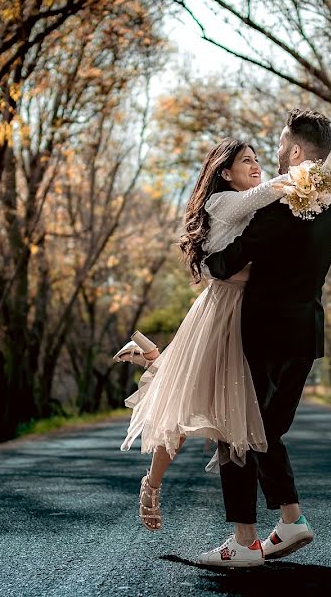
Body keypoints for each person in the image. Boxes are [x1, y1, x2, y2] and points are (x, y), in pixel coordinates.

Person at [115, 138, 291, 532]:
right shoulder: (224, 201)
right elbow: (269, 191)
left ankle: (153, 359)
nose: (256, 165)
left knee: (230, 409)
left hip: (247, 309)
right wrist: (305, 175)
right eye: (247, 160)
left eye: (258, 159)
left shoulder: (254, 206)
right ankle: (152, 484)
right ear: (225, 173)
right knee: (181, 410)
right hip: (220, 311)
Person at [198, 109, 331, 567]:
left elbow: (225, 263)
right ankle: (290, 521)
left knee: (235, 428)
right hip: (306, 333)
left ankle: (243, 544)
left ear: (297, 151)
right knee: (266, 431)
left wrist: (205, 254)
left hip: (262, 330)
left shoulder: (282, 206)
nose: (276, 152)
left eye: (281, 144)